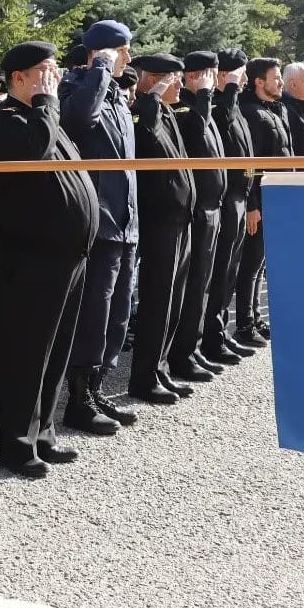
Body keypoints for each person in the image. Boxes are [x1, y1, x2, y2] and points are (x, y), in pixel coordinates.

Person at [0, 41, 99, 477]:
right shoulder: (9, 122)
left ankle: (43, 433)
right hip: (29, 259)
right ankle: (15, 444)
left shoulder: (44, 118)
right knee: (25, 354)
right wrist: (47, 105)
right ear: (19, 78)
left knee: (55, 352)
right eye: (45, 72)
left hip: (66, 255)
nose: (54, 79)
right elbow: (34, 157)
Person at [59, 20, 139, 432]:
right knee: (94, 314)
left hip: (126, 222)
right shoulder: (76, 87)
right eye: (122, 51)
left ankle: (96, 388)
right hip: (101, 223)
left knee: (117, 314)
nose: (128, 58)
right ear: (103, 52)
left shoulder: (117, 96)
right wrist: (100, 70)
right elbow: (77, 120)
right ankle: (77, 399)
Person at [128, 53, 197, 404]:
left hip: (179, 217)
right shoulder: (143, 110)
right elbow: (148, 138)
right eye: (174, 79)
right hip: (159, 220)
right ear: (156, 79)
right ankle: (144, 377)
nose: (181, 86)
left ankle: (160, 368)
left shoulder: (169, 111)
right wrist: (153, 95)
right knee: (158, 300)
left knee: (174, 300)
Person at [165, 50, 230, 385]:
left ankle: (194, 348)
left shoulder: (205, 104)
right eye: (211, 74)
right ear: (194, 76)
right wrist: (202, 95)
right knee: (191, 288)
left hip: (213, 205)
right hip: (196, 208)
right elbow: (195, 132)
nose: (216, 80)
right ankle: (181, 353)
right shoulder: (183, 106)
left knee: (203, 285)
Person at [202, 49, 254, 366]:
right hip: (225, 198)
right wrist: (230, 88)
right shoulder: (220, 106)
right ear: (223, 76)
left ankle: (220, 333)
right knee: (218, 273)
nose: (244, 81)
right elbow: (224, 119)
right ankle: (211, 337)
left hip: (239, 195)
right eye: (239, 74)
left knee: (230, 273)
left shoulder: (234, 105)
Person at [236, 57, 292, 349]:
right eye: (276, 77)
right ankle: (244, 324)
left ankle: (255, 317)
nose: (280, 82)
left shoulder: (273, 110)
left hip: (278, 198)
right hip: (261, 199)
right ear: (259, 81)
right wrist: (252, 204)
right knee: (250, 264)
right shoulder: (251, 113)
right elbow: (251, 166)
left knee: (260, 264)